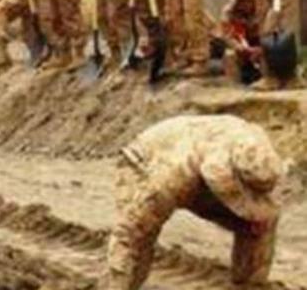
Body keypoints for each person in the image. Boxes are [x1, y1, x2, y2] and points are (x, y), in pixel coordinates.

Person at [106, 115, 286, 290]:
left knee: (260, 224)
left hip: (202, 166)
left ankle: (248, 285)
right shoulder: (172, 175)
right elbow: (128, 232)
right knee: (139, 235)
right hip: (146, 164)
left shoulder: (255, 151)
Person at [217, 0, 265, 87]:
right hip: (236, 44)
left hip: (254, 43)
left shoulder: (260, 11)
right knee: (230, 55)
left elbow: (265, 34)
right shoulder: (228, 13)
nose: (246, 4)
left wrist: (260, 48)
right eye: (243, 1)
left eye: (249, 1)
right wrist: (242, 49)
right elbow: (227, 36)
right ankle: (234, 86)